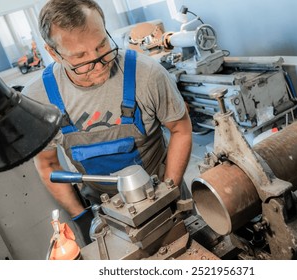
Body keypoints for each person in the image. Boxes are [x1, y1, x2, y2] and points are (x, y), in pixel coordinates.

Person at [23, 0, 192, 245]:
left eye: (102, 45)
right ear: (53, 53)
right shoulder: (39, 100)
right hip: (104, 216)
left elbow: (181, 129)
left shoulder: (147, 74)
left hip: (167, 195)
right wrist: (80, 217)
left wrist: (169, 192)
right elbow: (48, 164)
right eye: (81, 57)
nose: (100, 62)